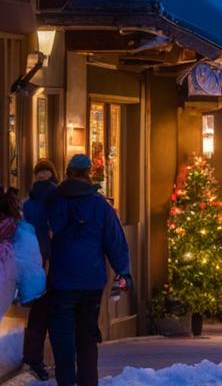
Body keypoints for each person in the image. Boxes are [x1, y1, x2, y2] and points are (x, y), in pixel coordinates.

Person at [46, 154, 130, 386]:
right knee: (87, 337)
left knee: (62, 339)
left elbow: (43, 230)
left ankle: (66, 381)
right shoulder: (101, 205)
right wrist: (123, 272)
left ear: (69, 172)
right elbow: (115, 241)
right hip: (92, 281)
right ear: (89, 174)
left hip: (62, 280)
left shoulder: (56, 201)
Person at [22, 160, 57, 380]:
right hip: (59, 262)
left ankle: (34, 359)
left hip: (36, 263)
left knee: (38, 315)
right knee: (61, 312)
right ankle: (60, 359)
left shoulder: (27, 204)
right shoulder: (60, 199)